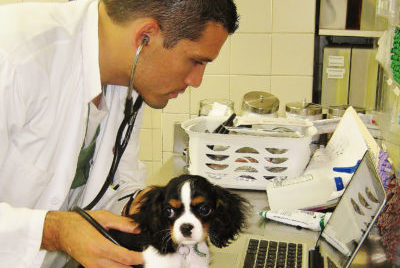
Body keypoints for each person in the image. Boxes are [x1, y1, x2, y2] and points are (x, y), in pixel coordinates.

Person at [0, 0, 239, 267]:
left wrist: (140, 204)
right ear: (144, 37)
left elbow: (112, 183)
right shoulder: (13, 56)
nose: (196, 81)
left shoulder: (130, 77)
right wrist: (53, 230)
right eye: (196, 61)